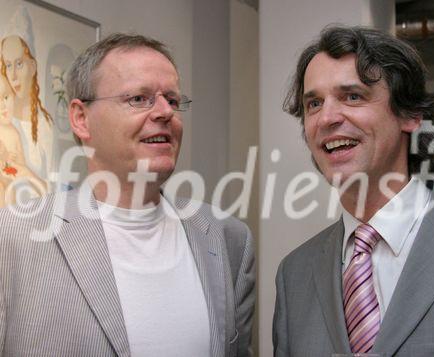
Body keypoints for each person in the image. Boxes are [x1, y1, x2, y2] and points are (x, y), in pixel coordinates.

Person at [0, 33, 255, 357]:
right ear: (81, 118)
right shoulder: (11, 238)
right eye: (139, 98)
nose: (165, 112)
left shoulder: (227, 238)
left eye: (173, 100)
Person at [273, 26, 434, 356]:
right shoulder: (293, 275)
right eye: (314, 103)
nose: (327, 118)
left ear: (410, 114)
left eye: (353, 96)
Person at [1, 35, 54, 183]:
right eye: (8, 65)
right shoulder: (5, 123)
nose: (13, 76)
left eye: (19, 64)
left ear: (32, 66)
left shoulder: (46, 124)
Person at [0, 70, 47, 207]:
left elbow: (21, 165)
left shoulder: (15, 133)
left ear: (13, 97)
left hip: (11, 183)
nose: (3, 106)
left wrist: (14, 163)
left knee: (11, 191)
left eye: (6, 97)